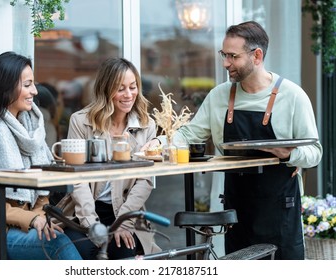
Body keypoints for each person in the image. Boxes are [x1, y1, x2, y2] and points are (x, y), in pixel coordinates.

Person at [142, 21, 323, 260]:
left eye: (233, 56)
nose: (226, 63)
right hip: (236, 208)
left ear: (256, 56)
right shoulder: (219, 95)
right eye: (223, 54)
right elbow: (188, 135)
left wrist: (288, 154)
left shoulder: (293, 96)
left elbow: (314, 152)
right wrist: (160, 144)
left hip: (279, 210)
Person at [0, 51, 82, 260]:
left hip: (27, 222)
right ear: (5, 87)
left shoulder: (31, 129)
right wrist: (30, 218)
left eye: (33, 84)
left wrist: (38, 214)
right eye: (27, 85)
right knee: (57, 243)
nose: (35, 91)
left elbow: (43, 188)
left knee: (85, 238)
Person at [56, 57, 161, 260]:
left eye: (133, 87)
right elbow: (77, 178)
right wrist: (92, 224)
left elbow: (145, 180)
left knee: (124, 252)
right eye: (120, 89)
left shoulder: (147, 125)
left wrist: (124, 222)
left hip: (125, 211)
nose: (129, 95)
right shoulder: (81, 121)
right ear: (106, 89)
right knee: (85, 253)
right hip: (82, 212)